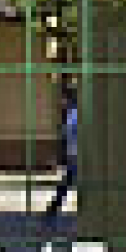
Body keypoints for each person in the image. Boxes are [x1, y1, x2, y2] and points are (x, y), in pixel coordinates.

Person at [44, 82, 78, 222]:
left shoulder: (74, 114)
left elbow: (69, 132)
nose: (61, 102)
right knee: (66, 183)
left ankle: (52, 210)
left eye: (63, 99)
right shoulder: (71, 113)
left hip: (77, 154)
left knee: (66, 183)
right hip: (73, 153)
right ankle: (52, 210)